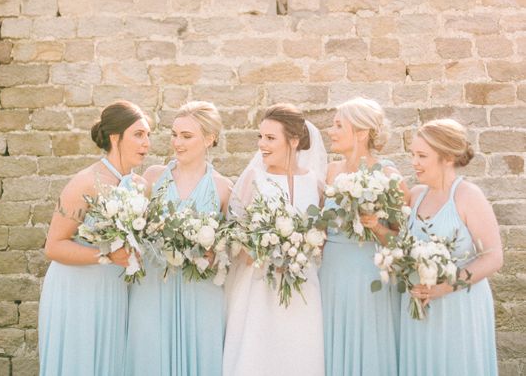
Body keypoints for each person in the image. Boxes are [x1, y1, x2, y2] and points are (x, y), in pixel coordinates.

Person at [38, 100, 150, 376]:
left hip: (114, 291)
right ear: (115, 137)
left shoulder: (141, 187)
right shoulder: (85, 182)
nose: (146, 142)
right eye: (138, 134)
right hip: (76, 289)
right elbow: (53, 246)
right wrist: (107, 256)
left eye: (148, 135)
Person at [125, 101, 232, 376]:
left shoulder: (223, 188)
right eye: (174, 134)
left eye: (186, 136)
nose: (177, 143)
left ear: (209, 139)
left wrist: (215, 254)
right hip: (154, 286)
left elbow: (231, 246)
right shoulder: (152, 177)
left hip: (201, 291)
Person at [223, 103, 327, 376]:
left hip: (303, 287)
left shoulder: (314, 183)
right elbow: (235, 236)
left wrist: (300, 252)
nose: (262, 145)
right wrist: (263, 252)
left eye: (270, 138)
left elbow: (320, 239)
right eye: (260, 137)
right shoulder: (254, 178)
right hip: (259, 286)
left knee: (299, 355)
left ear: (293, 141)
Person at [399, 119, 502, 376]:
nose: (414, 162)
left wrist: (444, 287)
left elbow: (493, 257)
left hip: (459, 308)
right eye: (413, 154)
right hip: (418, 308)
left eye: (422, 155)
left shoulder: (468, 196)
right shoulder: (416, 194)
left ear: (447, 157)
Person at [319, 97, 406, 376]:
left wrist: (376, 226)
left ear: (361, 133)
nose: (331, 131)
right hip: (332, 273)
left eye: (338, 125)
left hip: (369, 273)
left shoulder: (389, 175)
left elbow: (402, 240)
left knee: (370, 345)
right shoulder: (331, 171)